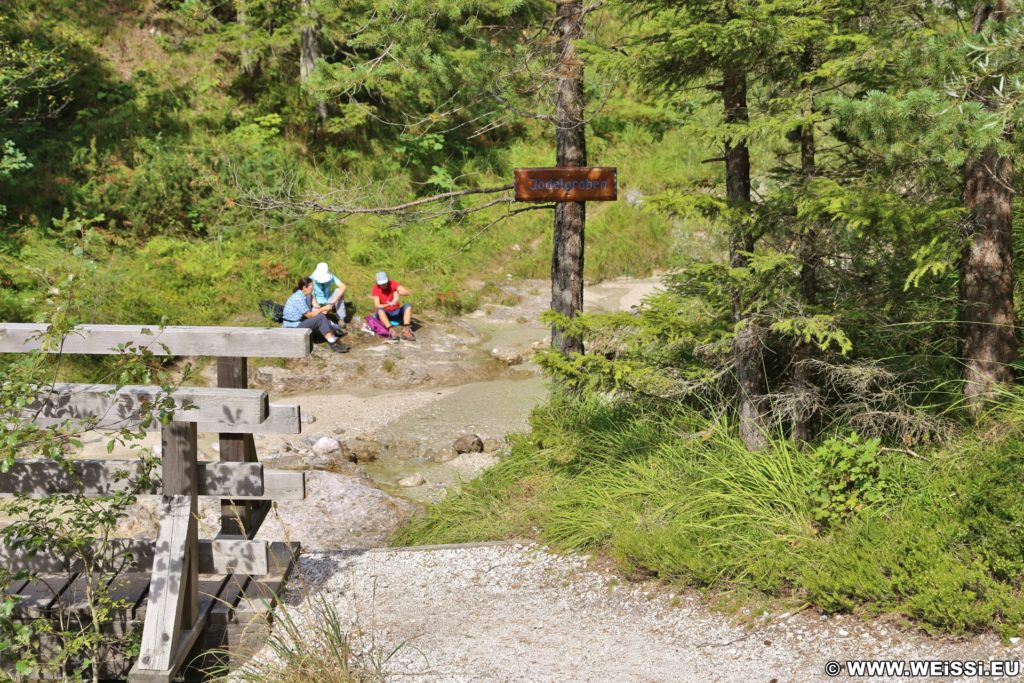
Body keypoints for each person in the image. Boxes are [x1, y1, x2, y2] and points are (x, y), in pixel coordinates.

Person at [282, 276, 350, 352]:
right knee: (321, 318)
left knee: (321, 317)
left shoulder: (302, 294)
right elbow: (309, 315)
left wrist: (319, 308)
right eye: (311, 286)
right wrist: (323, 308)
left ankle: (333, 340)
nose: (313, 288)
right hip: (293, 327)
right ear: (304, 287)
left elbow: (312, 299)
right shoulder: (299, 298)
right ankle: (333, 343)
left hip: (296, 323)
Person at [371, 271, 414, 342]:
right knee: (379, 309)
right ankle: (391, 330)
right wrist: (389, 304)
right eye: (381, 284)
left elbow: (408, 292)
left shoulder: (393, 283)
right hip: (385, 312)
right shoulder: (375, 288)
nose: (383, 285)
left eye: (385, 283)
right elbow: (377, 304)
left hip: (396, 311)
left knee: (408, 305)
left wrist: (397, 293)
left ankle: (406, 330)